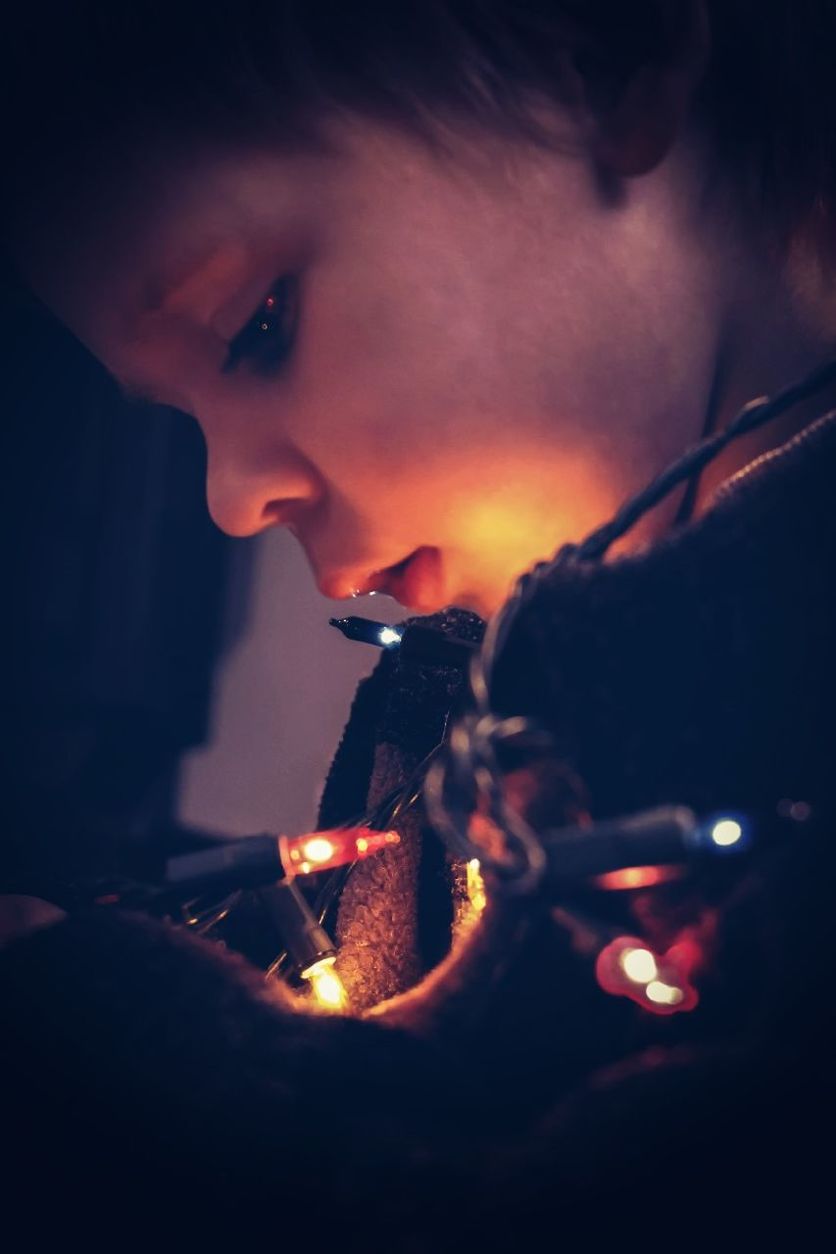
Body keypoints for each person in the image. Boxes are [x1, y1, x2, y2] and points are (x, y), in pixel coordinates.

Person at [1, 2, 835, 1245]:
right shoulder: (466, 715)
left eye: (254, 326)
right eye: (179, 419)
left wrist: (81, 1041)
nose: (230, 502)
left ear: (604, 58)